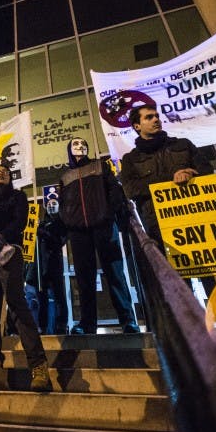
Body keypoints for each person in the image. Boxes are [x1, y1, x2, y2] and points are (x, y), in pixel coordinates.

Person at [0, 163, 51, 391]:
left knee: (17, 305)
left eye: (5, 171)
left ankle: (38, 367)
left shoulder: (18, 197)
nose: (0, 173)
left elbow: (20, 222)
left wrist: (0, 239)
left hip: (9, 254)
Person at [119, 104, 215, 295]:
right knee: (179, 289)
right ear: (137, 126)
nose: (156, 119)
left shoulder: (183, 145)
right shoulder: (130, 159)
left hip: (197, 222)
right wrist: (172, 179)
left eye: (156, 116)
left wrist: (191, 174)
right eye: (148, 117)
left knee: (215, 284)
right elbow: (131, 189)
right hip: (160, 230)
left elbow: (207, 171)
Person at [57, 137, 138, 335]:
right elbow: (61, 203)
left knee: (115, 273)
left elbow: (114, 191)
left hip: (103, 226)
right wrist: (67, 221)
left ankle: (127, 320)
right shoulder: (65, 177)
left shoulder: (100, 166)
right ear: (69, 149)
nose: (81, 146)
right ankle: (87, 324)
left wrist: (110, 214)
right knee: (84, 279)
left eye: (83, 144)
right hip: (78, 232)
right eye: (75, 144)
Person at [28, 198, 68, 335]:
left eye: (54, 204)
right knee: (42, 299)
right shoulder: (42, 224)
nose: (51, 206)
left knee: (59, 296)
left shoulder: (61, 224)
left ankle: (62, 324)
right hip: (41, 267)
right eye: (49, 204)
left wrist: (44, 233)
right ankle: (43, 326)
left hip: (54, 266)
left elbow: (59, 241)